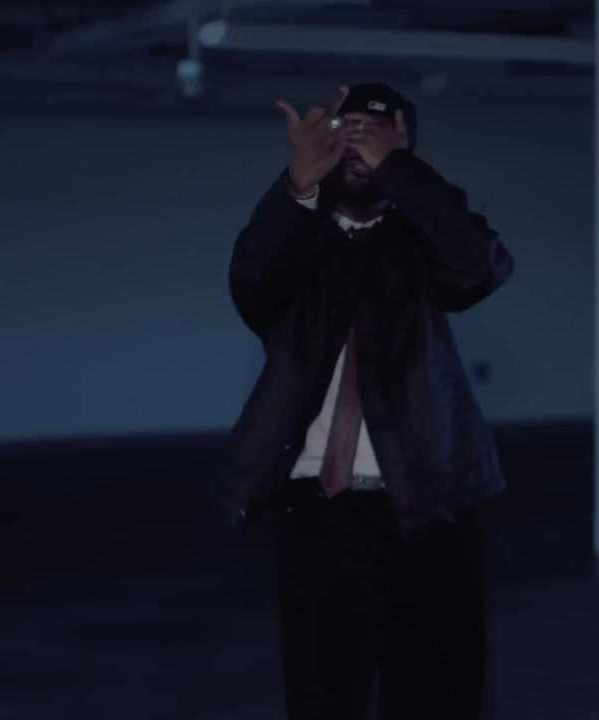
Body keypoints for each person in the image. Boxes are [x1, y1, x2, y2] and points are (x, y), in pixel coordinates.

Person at [213, 82, 515, 719]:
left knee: (438, 693)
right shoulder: (298, 241)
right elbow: (253, 281)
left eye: (373, 135)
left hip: (429, 504)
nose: (357, 147)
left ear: (403, 144)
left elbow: (481, 267)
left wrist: (397, 169)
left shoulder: (425, 241)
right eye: (346, 133)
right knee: (324, 696)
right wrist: (297, 184)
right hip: (318, 511)